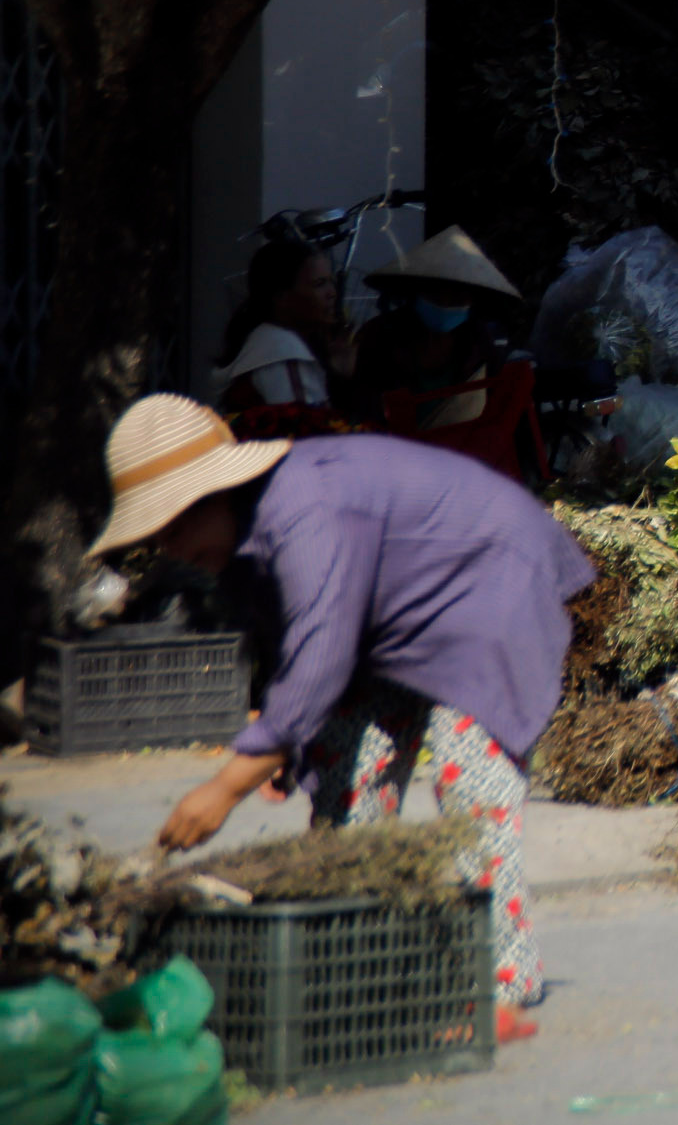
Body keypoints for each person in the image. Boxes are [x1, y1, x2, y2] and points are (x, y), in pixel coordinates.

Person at [89, 393, 593, 1042]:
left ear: (211, 496)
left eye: (171, 528)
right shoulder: (239, 543)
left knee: (470, 782)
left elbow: (321, 651)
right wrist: (283, 744)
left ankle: (497, 983)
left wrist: (228, 782)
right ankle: (359, 958)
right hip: (389, 624)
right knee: (342, 776)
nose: (168, 548)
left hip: (488, 585)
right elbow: (289, 650)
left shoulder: (306, 508)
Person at [349, 226, 523, 430]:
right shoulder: (378, 336)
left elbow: (499, 413)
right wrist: (343, 376)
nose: (446, 302)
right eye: (436, 293)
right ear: (416, 291)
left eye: (458, 296)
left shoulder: (480, 342)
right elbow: (358, 413)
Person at [213, 241, 354, 412]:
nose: (332, 293)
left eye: (331, 282)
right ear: (282, 297)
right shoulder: (280, 349)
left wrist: (339, 375)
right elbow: (304, 429)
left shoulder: (268, 341)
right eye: (319, 284)